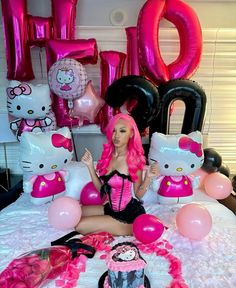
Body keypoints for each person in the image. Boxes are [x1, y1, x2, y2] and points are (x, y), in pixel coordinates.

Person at [75, 113, 157, 236]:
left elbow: (139, 195)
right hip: (110, 208)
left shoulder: (134, 160)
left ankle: (127, 228)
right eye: (114, 131)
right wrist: (90, 166)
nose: (116, 136)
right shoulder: (108, 156)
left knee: (80, 226)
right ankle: (108, 226)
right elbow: (101, 190)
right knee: (76, 213)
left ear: (131, 134)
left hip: (127, 214)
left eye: (122, 131)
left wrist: (148, 178)